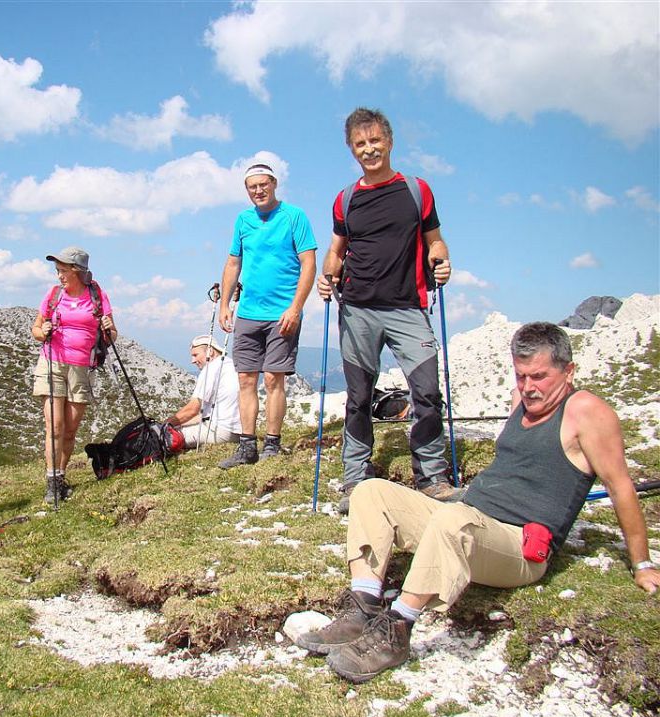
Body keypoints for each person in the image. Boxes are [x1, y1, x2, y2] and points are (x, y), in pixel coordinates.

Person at [296, 322, 660, 683]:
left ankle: (397, 629)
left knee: (453, 519)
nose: (529, 388)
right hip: (471, 520)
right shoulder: (523, 402)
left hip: (519, 546)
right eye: (521, 376)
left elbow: (620, 487)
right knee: (371, 491)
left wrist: (641, 564)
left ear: (569, 371)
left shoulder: (586, 412)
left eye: (539, 376)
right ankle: (362, 609)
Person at [318, 108, 457, 509]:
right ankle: (355, 479)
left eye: (375, 140)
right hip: (357, 308)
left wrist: (441, 260)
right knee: (358, 397)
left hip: (408, 306)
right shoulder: (346, 200)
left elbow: (435, 240)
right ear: (351, 149)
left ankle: (431, 477)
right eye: (360, 144)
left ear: (390, 141)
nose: (369, 149)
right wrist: (329, 276)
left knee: (426, 392)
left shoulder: (417, 190)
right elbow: (336, 249)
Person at [217, 161, 317, 468]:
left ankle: (272, 443)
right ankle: (248, 447)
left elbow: (308, 263)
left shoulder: (294, 216)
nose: (258, 190)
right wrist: (225, 304)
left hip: (282, 313)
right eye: (252, 187)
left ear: (274, 184)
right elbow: (233, 263)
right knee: (246, 379)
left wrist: (296, 308)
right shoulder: (243, 220)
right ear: (247, 190)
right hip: (247, 312)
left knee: (275, 379)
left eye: (263, 184)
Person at [31, 246, 116, 503]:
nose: (59, 276)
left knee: (69, 430)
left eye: (63, 270)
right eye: (58, 271)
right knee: (54, 426)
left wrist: (109, 329)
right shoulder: (54, 295)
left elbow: (110, 338)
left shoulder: (97, 295)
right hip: (52, 363)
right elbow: (36, 329)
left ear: (77, 270)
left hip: (82, 368)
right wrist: (42, 330)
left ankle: (60, 475)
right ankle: (52, 483)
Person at [164, 334, 242, 449]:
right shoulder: (231, 365)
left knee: (167, 437)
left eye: (196, 355)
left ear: (210, 351)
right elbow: (204, 415)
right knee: (178, 427)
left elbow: (192, 409)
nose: (193, 360)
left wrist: (165, 425)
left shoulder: (210, 369)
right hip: (240, 432)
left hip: (221, 432)